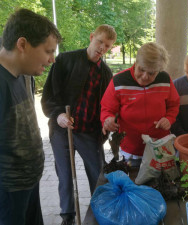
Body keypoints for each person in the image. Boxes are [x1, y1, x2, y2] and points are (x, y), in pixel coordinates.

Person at [41, 25, 116, 225]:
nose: (102, 48)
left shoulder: (105, 73)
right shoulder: (65, 60)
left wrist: (104, 124)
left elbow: (106, 107)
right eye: (100, 41)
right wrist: (58, 116)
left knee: (98, 173)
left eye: (107, 46)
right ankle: (68, 216)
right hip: (61, 130)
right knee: (65, 175)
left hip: (89, 133)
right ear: (92, 37)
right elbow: (49, 95)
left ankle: (99, 211)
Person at [0, 8, 61, 225]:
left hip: (29, 182)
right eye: (48, 51)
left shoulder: (24, 75)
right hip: (9, 191)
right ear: (22, 44)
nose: (52, 60)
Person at [101, 42, 180, 166]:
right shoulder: (119, 81)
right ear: (136, 62)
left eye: (151, 73)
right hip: (131, 148)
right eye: (142, 70)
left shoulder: (165, 79)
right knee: (134, 182)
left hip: (159, 146)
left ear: (159, 70)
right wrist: (108, 119)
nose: (145, 77)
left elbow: (173, 105)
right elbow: (107, 108)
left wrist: (169, 119)